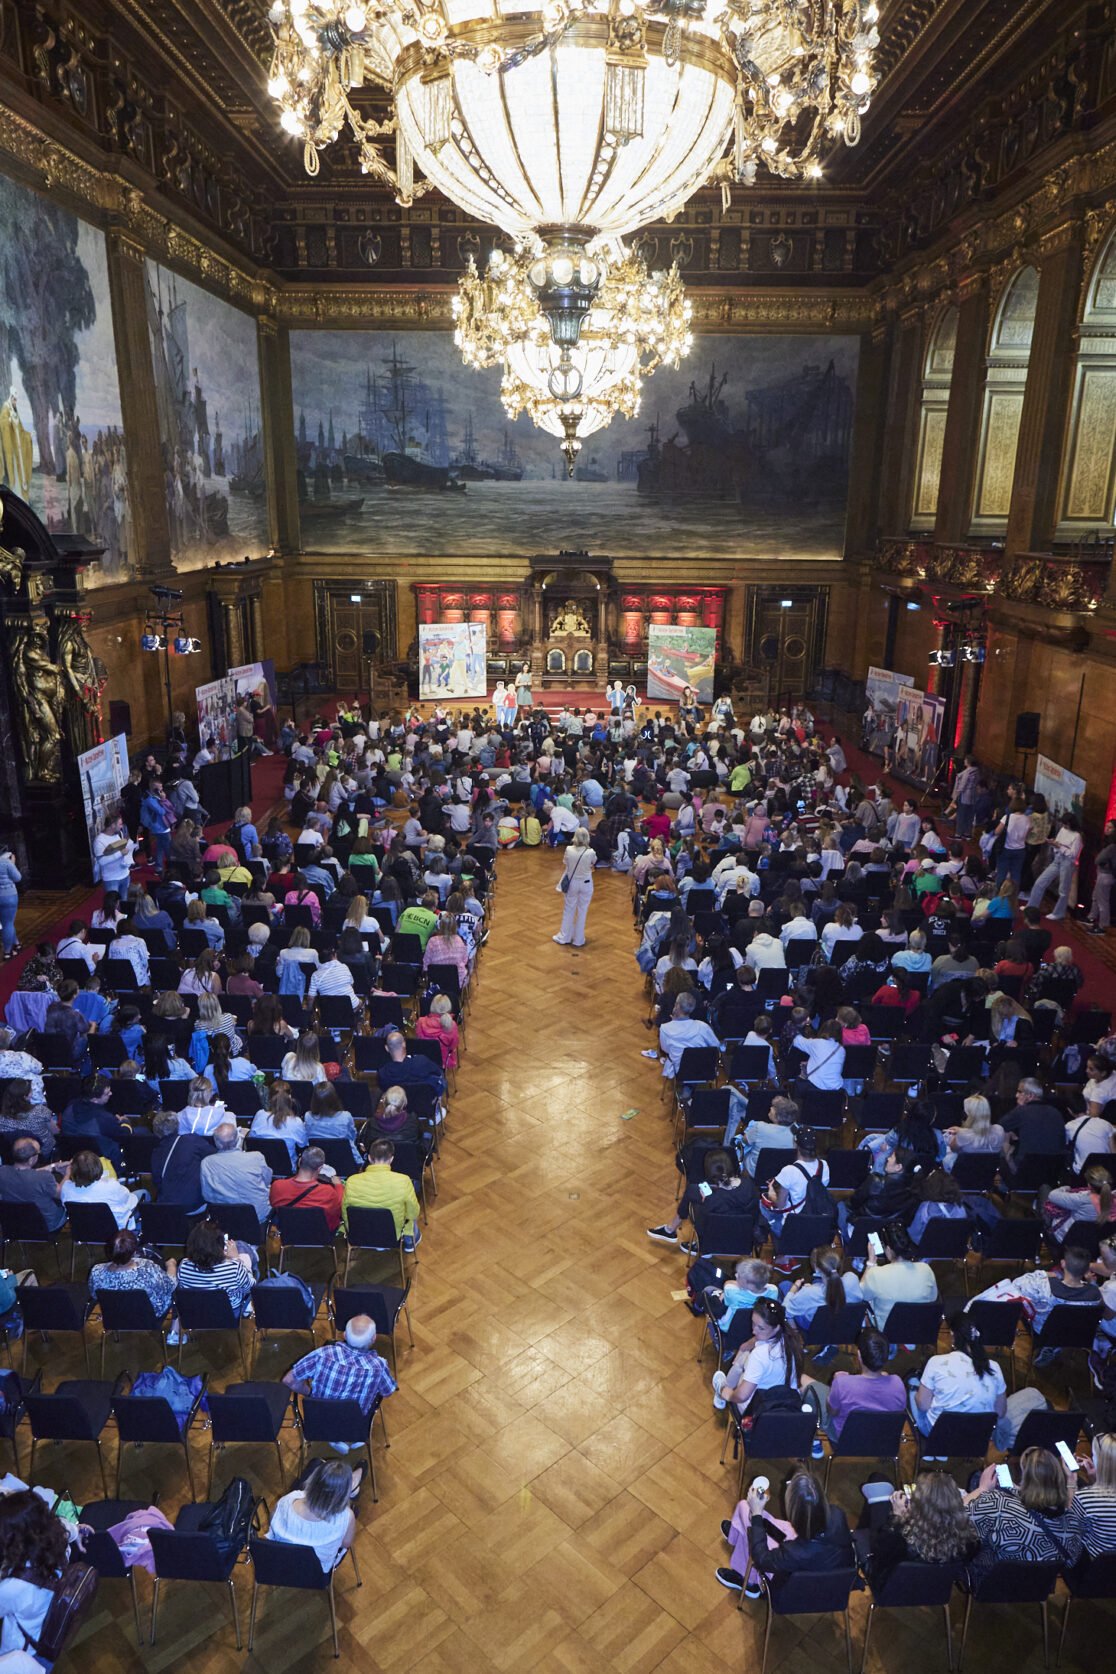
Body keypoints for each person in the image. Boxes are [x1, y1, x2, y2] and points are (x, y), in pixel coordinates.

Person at [717, 1468, 853, 1595]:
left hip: (792, 1584)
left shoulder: (793, 1552)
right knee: (758, 1520)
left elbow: (761, 1559)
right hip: (821, 1565)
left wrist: (757, 1513)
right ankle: (740, 1536)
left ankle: (749, 1583)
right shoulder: (837, 1514)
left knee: (745, 1508)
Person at [282, 1314, 397, 1452]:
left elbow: (288, 1380)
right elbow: (387, 1391)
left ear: (345, 1335)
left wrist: (310, 1393)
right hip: (355, 1422)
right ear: (374, 1338)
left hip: (319, 1418)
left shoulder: (323, 1353)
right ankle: (353, 1438)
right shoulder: (379, 1366)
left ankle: (334, 1438)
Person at [963, 1446, 1084, 1568]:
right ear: (1060, 1478)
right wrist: (1072, 1482)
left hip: (987, 1574)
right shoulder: (1072, 1524)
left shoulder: (999, 1504)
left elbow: (959, 1516)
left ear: (1024, 1479)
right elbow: (1071, 1562)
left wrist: (982, 1488)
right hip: (1041, 1581)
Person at [861, 1471, 980, 1591]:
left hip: (893, 1588)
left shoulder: (900, 1536)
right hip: (937, 1589)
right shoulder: (969, 1540)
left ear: (920, 1507)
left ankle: (859, 1530)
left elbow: (880, 1557)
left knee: (877, 1481)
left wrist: (896, 1516)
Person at [908, 1314, 1007, 1455]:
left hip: (938, 1433)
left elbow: (923, 1405)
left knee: (913, 1381)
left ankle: (935, 1450)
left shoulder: (936, 1362)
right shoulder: (995, 1368)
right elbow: (1000, 1412)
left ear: (952, 1335)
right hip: (977, 1436)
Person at [799, 1326, 906, 1443]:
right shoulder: (898, 1383)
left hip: (845, 1437)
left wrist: (836, 1385)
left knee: (801, 1380)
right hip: (880, 1439)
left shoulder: (842, 1382)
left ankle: (814, 1442)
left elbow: (831, 1412)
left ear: (859, 1355)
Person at [0, 1489, 72, 1655]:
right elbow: (66, 1526)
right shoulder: (58, 1539)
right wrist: (78, 1530)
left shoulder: (13, 1587)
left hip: (21, 1647)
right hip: (42, 1619)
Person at [711, 1295, 803, 1412]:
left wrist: (727, 1393)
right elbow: (759, 1338)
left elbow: (742, 1397)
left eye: (761, 1328)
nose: (754, 1330)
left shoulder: (759, 1355)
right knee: (745, 1355)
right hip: (785, 1404)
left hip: (756, 1410)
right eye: (753, 1323)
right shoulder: (790, 1340)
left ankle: (721, 1392)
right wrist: (747, 1345)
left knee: (743, 1359)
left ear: (776, 1328)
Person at [171, 1216, 254, 1342]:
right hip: (229, 1314)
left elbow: (183, 1289)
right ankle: (247, 1308)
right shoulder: (234, 1267)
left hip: (196, 1313)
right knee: (247, 1260)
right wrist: (237, 1259)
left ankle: (175, 1331)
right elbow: (250, 1287)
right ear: (220, 1244)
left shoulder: (184, 1265)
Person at [268, 1458, 358, 1572]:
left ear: (312, 1480)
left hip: (278, 1563)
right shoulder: (347, 1516)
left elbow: (272, 1520)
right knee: (356, 1510)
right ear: (343, 1495)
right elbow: (346, 1543)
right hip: (315, 1573)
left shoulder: (288, 1500)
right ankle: (357, 1480)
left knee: (315, 1462)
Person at [341, 1137, 421, 1250]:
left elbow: (345, 1212)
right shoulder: (404, 1181)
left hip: (361, 1233)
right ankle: (409, 1243)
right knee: (410, 1210)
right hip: (392, 1234)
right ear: (391, 1159)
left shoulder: (351, 1181)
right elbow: (413, 1212)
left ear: (369, 1158)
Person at [860, 1219, 938, 1332]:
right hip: (919, 1330)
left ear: (888, 1249)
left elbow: (859, 1295)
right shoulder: (926, 1269)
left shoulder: (875, 1274)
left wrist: (870, 1262)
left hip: (885, 1332)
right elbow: (933, 1297)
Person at [199, 1123, 273, 1231]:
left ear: (216, 1142)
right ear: (238, 1139)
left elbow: (207, 1195)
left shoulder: (206, 1163)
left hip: (224, 1220)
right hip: (258, 1218)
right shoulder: (257, 1157)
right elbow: (267, 1182)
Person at [90, 1226, 176, 1316]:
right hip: (148, 1317)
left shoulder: (96, 1271)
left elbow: (94, 1295)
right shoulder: (149, 1269)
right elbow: (170, 1286)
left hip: (114, 1316)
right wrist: (171, 1265)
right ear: (134, 1252)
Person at [151, 1110, 214, 1215]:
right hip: (194, 1205)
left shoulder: (156, 1152)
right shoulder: (192, 1140)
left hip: (167, 1207)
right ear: (177, 1126)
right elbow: (214, 1156)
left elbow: (157, 1182)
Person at [269, 1145, 344, 1233]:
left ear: (299, 1161)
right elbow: (339, 1209)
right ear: (320, 1169)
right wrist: (339, 1186)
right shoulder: (328, 1192)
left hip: (288, 1234)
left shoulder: (277, 1186)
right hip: (320, 1236)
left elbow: (274, 1205)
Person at [60, 1149, 142, 1229]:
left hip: (84, 1231)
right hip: (116, 1230)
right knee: (143, 1193)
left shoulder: (66, 1189)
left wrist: (66, 1174)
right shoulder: (111, 1185)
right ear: (98, 1166)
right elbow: (130, 1200)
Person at [0, 1139, 67, 1231]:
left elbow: (24, 1174)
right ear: (32, 1159)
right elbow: (61, 1194)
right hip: (46, 1225)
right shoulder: (44, 1177)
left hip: (13, 1224)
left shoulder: (2, 1172)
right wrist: (67, 1174)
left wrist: (53, 1166)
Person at [553, 828, 595, 948]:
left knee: (569, 909)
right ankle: (579, 939)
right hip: (586, 883)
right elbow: (593, 863)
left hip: (572, 883)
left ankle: (564, 937)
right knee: (582, 911)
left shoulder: (568, 849)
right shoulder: (591, 852)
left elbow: (565, 863)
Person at [250, 1081, 309, 1167]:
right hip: (287, 1168)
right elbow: (303, 1145)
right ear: (290, 1097)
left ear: (269, 1098)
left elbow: (252, 1138)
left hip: (260, 1166)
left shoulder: (259, 1115)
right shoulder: (296, 1122)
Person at [0, 1081, 57, 1157]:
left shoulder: (2, 1118)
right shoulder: (41, 1111)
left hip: (13, 1155)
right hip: (42, 1154)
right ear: (26, 1096)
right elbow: (55, 1132)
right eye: (31, 1091)